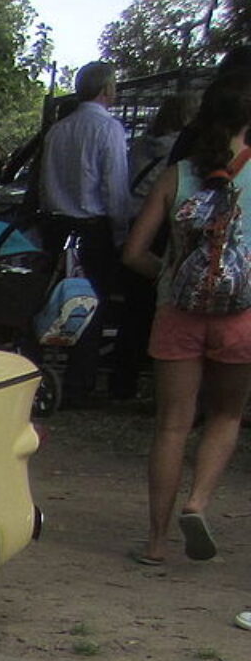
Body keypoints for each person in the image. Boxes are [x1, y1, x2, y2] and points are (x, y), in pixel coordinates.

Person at [120, 74, 251, 566]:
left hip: (177, 312)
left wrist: (171, 277)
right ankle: (198, 503)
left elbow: (134, 253)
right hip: (241, 316)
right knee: (225, 415)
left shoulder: (175, 176)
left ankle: (155, 542)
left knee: (172, 426)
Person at [41, 63, 138, 406]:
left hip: (55, 225)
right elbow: (114, 187)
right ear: (107, 89)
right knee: (90, 305)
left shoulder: (58, 130)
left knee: (54, 300)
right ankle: (78, 385)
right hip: (92, 228)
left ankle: (41, 374)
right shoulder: (108, 129)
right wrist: (121, 232)